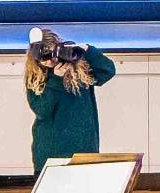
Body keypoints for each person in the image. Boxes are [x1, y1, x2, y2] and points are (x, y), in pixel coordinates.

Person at [24, 27, 117, 170]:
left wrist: (87, 50)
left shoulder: (79, 69)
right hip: (51, 152)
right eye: (44, 57)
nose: (50, 61)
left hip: (83, 149)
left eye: (53, 55)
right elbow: (42, 111)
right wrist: (56, 79)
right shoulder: (36, 76)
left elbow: (107, 71)